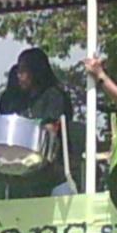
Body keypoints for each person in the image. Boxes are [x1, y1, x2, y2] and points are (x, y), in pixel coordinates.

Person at [11, 47, 79, 198]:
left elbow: (50, 131)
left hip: (57, 175)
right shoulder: (23, 102)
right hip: (31, 175)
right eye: (18, 71)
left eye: (23, 71)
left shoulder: (54, 96)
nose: (19, 76)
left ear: (35, 71)